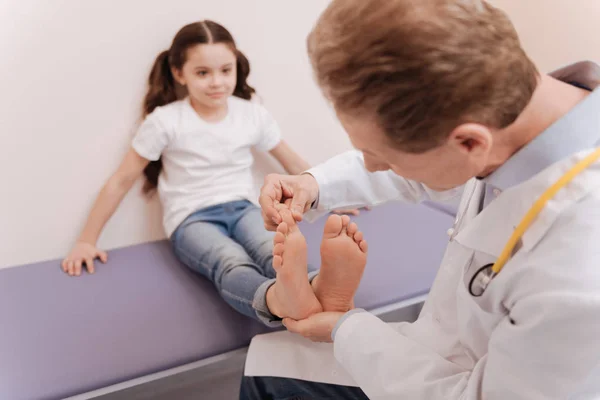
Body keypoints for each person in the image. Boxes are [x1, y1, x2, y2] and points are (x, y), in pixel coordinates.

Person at [243, 0, 600, 398]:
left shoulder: (579, 270)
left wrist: (346, 328)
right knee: (264, 358)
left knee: (270, 380)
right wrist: (313, 185)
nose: (373, 166)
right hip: (440, 347)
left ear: (468, 143)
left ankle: (283, 297)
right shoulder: (512, 112)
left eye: (384, 156)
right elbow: (429, 175)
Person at [60, 20, 366, 326]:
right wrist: (87, 240)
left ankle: (320, 286)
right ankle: (275, 299)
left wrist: (330, 194)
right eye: (203, 73)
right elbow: (121, 180)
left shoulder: (251, 114)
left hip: (244, 208)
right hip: (192, 218)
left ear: (236, 67)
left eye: (225, 70)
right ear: (179, 73)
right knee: (229, 260)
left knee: (272, 248)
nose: (217, 82)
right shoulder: (165, 121)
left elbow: (292, 162)